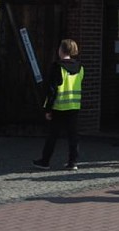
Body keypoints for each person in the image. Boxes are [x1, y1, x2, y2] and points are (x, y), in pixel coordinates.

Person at [33, 39, 84, 171]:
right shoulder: (80, 67)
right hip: (74, 106)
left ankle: (45, 161)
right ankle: (73, 162)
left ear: (61, 50)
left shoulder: (57, 67)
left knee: (52, 136)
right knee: (73, 136)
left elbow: (52, 90)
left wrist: (47, 109)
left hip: (59, 106)